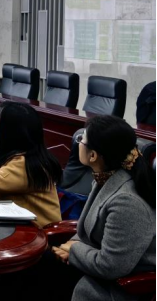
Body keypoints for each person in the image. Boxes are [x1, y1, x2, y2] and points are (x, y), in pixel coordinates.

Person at [49, 115, 155, 301]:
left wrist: (74, 250)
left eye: (81, 139)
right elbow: (87, 229)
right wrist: (69, 247)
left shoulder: (127, 202)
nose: (78, 142)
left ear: (93, 155)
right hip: (96, 265)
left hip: (124, 286)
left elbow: (111, 266)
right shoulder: (106, 177)